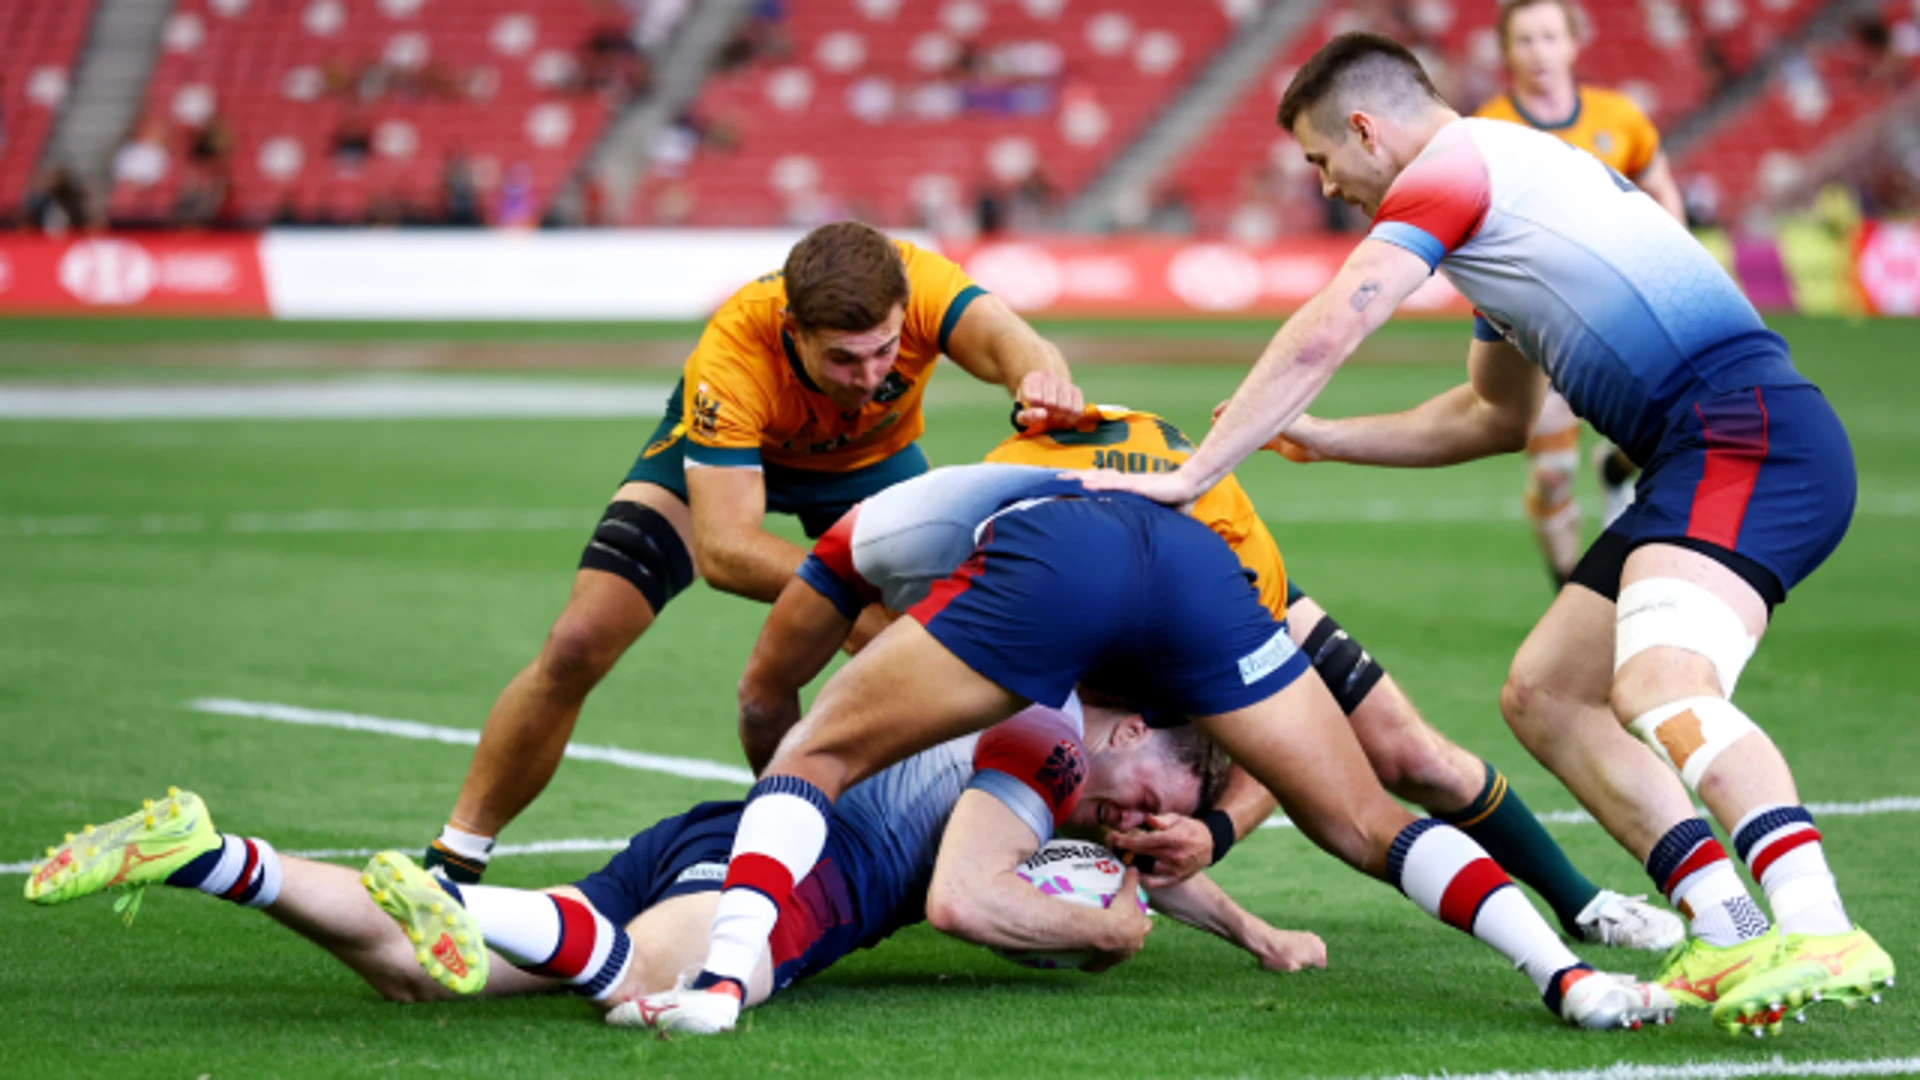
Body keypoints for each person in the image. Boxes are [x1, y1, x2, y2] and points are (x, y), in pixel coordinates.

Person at [1075, 33, 1894, 1036]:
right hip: (1701, 451)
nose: (1328, 188)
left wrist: (1202, 471)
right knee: (1547, 695)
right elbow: (1490, 419)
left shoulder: (1460, 169)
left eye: (1323, 160)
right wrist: (1323, 439)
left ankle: (1817, 922)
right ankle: (1727, 929)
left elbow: (1336, 321)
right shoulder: (1501, 214)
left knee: (1660, 685)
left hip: (1748, 436)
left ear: (1368, 129)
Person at [642, 463, 1673, 1035]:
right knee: (1373, 819)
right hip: (1194, 563)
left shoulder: (909, 575)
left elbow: (769, 700)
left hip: (1072, 553)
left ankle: (723, 983)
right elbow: (1274, 751)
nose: (1140, 828)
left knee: (811, 756)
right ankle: (1567, 977)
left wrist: (789, 764)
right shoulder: (880, 545)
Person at [423, 221, 1083, 885]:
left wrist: (1042, 384)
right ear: (794, 329)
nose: (867, 376)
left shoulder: (921, 281)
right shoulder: (735, 348)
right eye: (842, 360)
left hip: (869, 467)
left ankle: (1038, 825)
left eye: (883, 352)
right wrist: (850, 605)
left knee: (988, 642)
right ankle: (456, 855)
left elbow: (1017, 343)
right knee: (579, 640)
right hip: (720, 467)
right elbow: (726, 549)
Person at [24, 705, 1320, 1022]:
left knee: (424, 984)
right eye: (1160, 799)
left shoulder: (1049, 754)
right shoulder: (1038, 755)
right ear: (1134, 728)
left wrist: (1252, 931)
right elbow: (962, 896)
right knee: (633, 977)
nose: (1154, 829)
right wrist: (1104, 933)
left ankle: (211, 854)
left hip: (720, 833)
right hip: (797, 889)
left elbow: (1117, 852)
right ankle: (468, 899)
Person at [980, 406, 1679, 949]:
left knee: (1413, 756)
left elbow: (1281, 745)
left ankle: (1583, 904)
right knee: (1094, 783)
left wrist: (1217, 834)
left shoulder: (1224, 598)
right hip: (1117, 589)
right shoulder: (1016, 608)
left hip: (1219, 593)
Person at [1477, 0, 1687, 587]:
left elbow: (1659, 187)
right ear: (1507, 51)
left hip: (1626, 317)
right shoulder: (1487, 133)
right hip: (1542, 328)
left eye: (1549, 37)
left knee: (1670, 440)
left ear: (1573, 44)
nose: (1538, 51)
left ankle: (1615, 469)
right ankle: (1572, 589)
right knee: (1550, 476)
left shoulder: (1619, 117)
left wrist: (1672, 265)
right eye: (1524, 40)